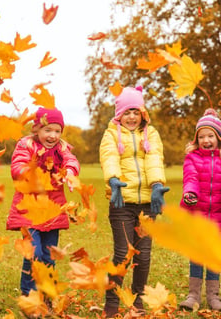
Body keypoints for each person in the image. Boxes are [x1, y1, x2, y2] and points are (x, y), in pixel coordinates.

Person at [99, 86, 169, 317]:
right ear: (119, 114)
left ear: (142, 114)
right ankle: (112, 300)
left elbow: (155, 159)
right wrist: (113, 179)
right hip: (122, 204)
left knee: (143, 254)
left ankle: (138, 298)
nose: (131, 117)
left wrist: (157, 185)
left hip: (148, 204)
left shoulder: (152, 134)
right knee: (122, 254)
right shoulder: (111, 134)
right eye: (127, 112)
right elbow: (109, 156)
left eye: (135, 112)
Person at [6, 107, 80, 298]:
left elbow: (71, 161)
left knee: (49, 255)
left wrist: (70, 173)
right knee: (34, 253)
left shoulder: (62, 149)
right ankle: (29, 294)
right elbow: (17, 166)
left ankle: (47, 292)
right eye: (48, 130)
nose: (52, 135)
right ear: (37, 129)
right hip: (29, 209)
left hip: (52, 210)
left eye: (57, 131)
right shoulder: (26, 146)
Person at [179, 108, 221, 311]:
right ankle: (193, 295)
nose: (206, 140)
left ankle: (213, 296)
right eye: (201, 136)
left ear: (218, 137)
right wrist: (190, 193)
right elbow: (191, 179)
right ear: (196, 139)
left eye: (210, 135)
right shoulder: (192, 159)